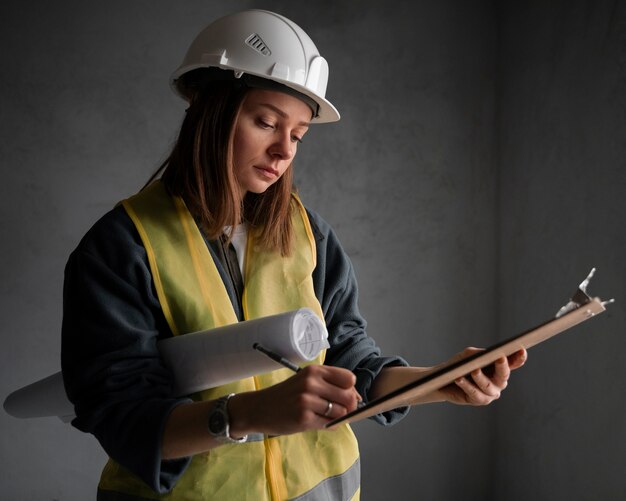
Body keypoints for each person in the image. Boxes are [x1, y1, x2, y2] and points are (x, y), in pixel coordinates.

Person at [61, 9, 527, 501]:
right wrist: (252, 413)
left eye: (299, 134)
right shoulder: (121, 248)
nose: (283, 151)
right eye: (266, 122)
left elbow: (351, 362)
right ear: (210, 109)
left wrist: (439, 381)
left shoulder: (307, 234)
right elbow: (123, 416)